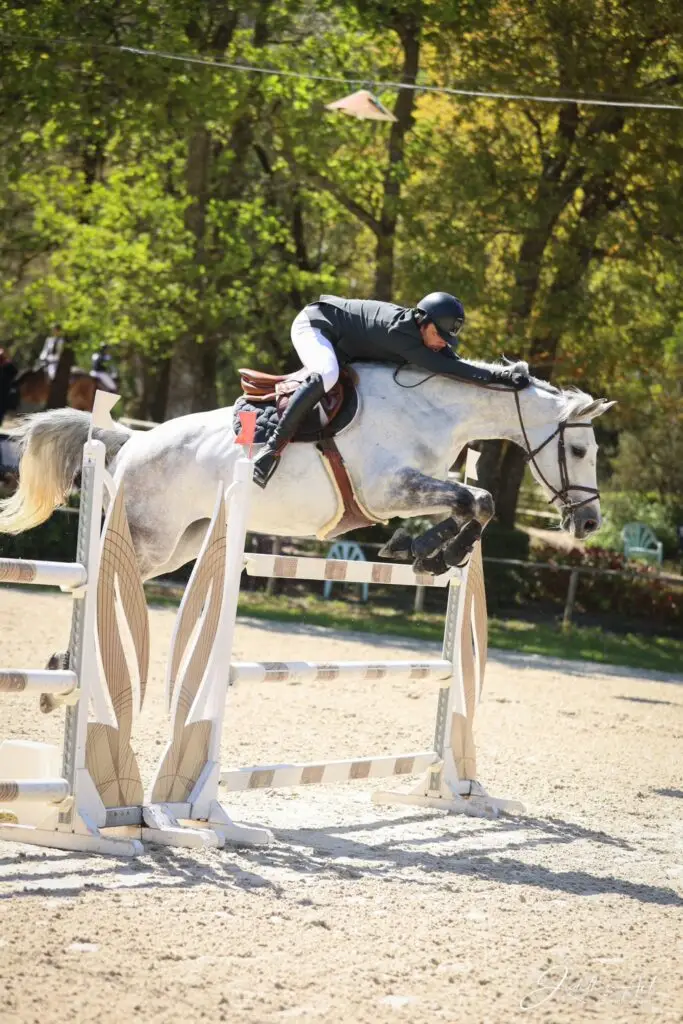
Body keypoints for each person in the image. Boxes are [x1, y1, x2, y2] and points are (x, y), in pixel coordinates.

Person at [252, 291, 530, 488]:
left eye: (447, 339)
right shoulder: (399, 333)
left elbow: (453, 362)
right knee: (327, 374)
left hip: (343, 340)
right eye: (439, 336)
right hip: (315, 326)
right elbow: (451, 369)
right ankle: (272, 449)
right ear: (423, 321)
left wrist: (501, 374)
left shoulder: (421, 333)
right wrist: (503, 375)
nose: (442, 343)